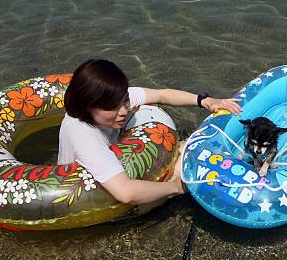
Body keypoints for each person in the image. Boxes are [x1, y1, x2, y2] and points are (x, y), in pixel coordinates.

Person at [57, 59, 242, 205]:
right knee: (185, 164)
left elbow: (162, 95)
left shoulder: (113, 100)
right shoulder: (84, 135)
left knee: (189, 148)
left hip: (114, 161)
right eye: (112, 107)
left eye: (124, 101)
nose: (123, 110)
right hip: (91, 196)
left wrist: (206, 101)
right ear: (88, 106)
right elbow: (126, 193)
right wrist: (177, 187)